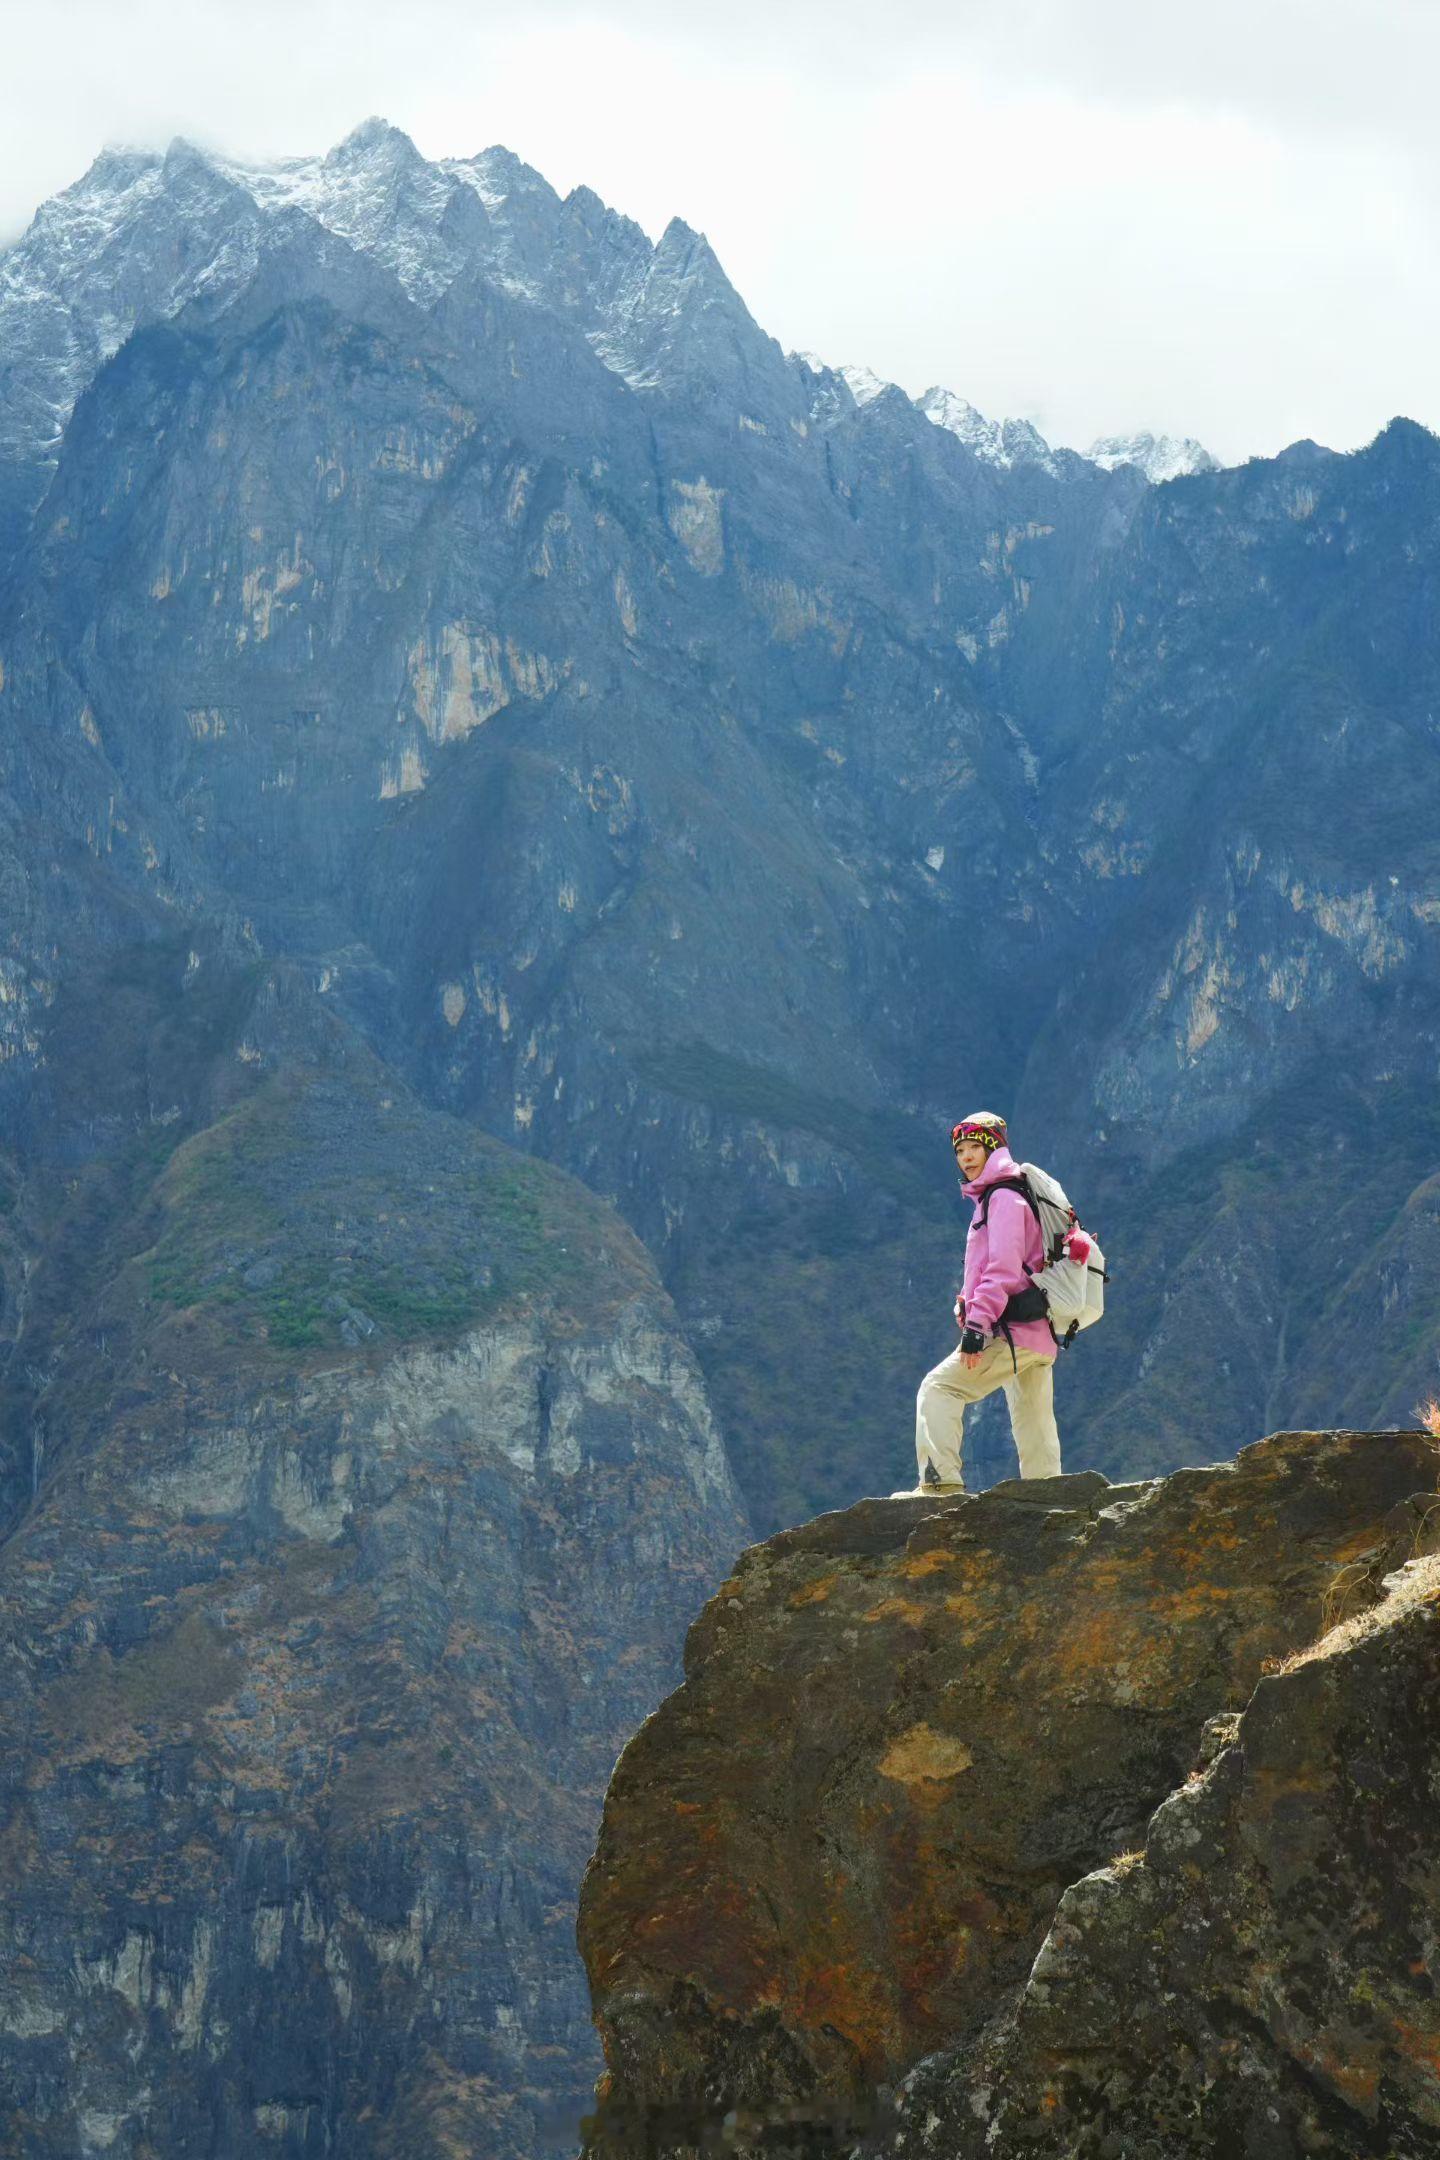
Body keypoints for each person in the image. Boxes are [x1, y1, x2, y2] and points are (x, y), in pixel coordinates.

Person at [897, 1110, 1062, 1496]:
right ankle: (1050, 1493)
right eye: (960, 1149)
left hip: (1011, 1330)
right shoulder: (1012, 1192)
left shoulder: (1002, 1197)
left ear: (995, 1149)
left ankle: (940, 1487)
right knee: (1032, 1416)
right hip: (1038, 1332)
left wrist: (976, 1326)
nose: (967, 1156)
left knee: (938, 1389)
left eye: (976, 1147)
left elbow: (1003, 1269)